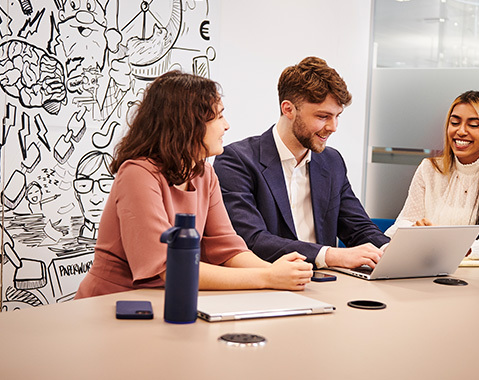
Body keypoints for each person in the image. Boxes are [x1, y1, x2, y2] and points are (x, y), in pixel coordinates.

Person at [75, 71, 312, 298]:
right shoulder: (137, 173)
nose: (227, 125)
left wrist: (278, 275)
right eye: (219, 116)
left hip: (167, 301)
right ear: (188, 123)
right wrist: (268, 277)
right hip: (113, 304)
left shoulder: (204, 174)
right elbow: (170, 268)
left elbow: (229, 249)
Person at [213, 56, 389, 270]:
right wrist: (330, 255)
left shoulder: (332, 161)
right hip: (269, 285)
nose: (333, 127)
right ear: (288, 109)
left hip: (327, 285)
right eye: (323, 116)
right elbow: (251, 239)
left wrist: (391, 252)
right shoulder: (237, 161)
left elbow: (359, 229)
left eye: (337, 116)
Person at [385, 91, 479, 263]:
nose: (461, 131)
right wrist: (415, 230)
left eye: (473, 125)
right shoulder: (429, 169)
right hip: (427, 269)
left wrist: (464, 248)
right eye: (455, 122)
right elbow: (403, 223)